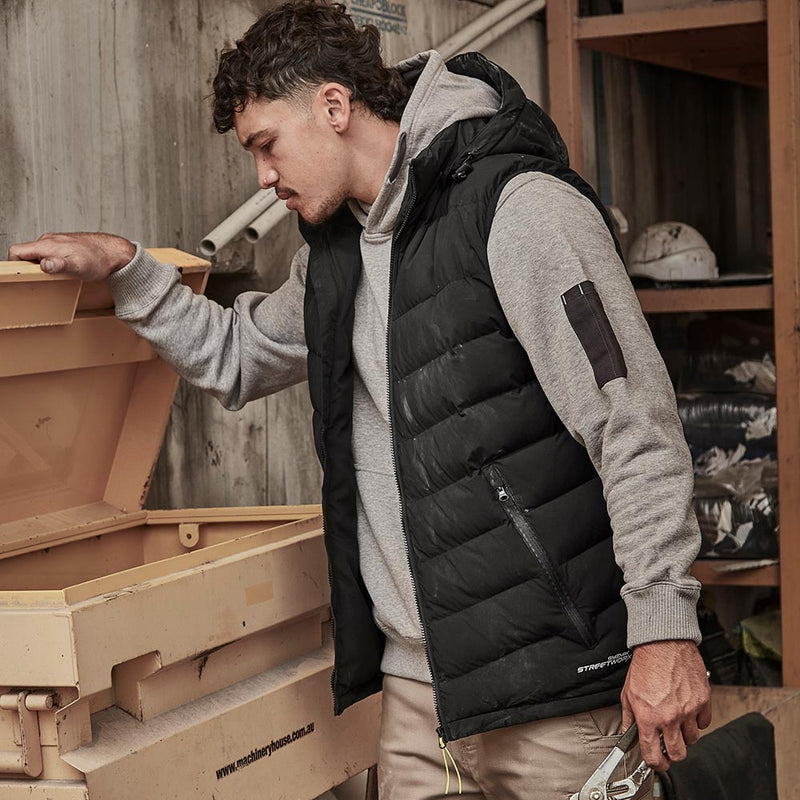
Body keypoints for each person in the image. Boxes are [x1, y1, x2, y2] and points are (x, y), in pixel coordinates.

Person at [9, 2, 711, 797]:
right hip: (420, 702)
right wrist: (129, 267)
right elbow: (236, 356)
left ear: (335, 106)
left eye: (266, 146)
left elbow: (634, 423)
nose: (262, 178)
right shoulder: (335, 262)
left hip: (557, 691)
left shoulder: (520, 212)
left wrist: (665, 628)